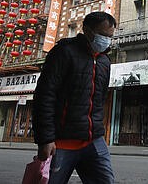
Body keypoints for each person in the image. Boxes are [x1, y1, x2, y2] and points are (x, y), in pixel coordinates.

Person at [33, 11, 116, 183]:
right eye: (103, 35)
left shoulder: (104, 61)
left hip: (93, 141)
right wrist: (46, 138)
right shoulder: (64, 52)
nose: (106, 40)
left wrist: (99, 129)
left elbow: (99, 101)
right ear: (87, 30)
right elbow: (45, 96)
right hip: (61, 143)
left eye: (110, 37)